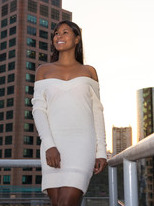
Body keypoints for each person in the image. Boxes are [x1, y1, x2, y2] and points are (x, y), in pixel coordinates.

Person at [32, 20, 107, 206]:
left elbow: (97, 112)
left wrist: (102, 151)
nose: (59, 36)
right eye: (56, 33)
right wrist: (49, 144)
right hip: (52, 144)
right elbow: (39, 109)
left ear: (77, 40)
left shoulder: (89, 72)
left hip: (82, 145)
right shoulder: (43, 71)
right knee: (57, 202)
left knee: (67, 202)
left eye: (65, 32)